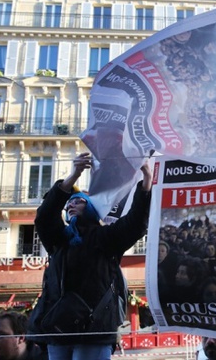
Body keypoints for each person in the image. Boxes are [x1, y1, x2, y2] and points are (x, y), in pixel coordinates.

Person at [27, 152, 153, 360]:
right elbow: (44, 217)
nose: (70, 205)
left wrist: (146, 178)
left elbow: (135, 222)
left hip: (94, 329)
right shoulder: (59, 239)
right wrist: (73, 176)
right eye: (69, 203)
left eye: (78, 202)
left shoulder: (106, 238)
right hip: (58, 328)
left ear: (92, 209)